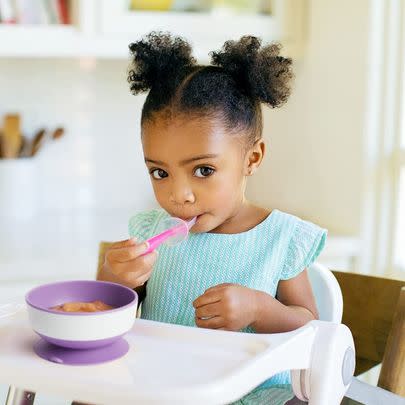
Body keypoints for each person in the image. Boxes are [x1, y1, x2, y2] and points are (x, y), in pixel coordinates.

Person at [99, 31, 327, 404]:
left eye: (203, 170)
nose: (179, 195)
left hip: (252, 394)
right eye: (160, 172)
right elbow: (105, 313)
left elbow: (311, 328)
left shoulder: (281, 237)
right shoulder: (149, 231)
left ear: (251, 159)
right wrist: (113, 277)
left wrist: (258, 308)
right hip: (159, 387)